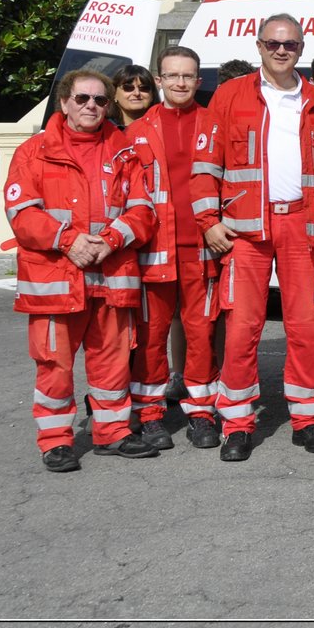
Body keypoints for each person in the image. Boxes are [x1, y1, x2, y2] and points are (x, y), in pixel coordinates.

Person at [193, 14, 314, 462]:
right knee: (242, 328)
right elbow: (205, 167)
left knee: (304, 326)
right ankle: (237, 422)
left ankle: (306, 418)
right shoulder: (229, 95)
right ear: (259, 46)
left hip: (303, 223)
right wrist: (209, 221)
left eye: (291, 45)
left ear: (301, 49)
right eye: (274, 44)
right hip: (244, 228)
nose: (282, 51)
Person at [7, 69, 161, 471]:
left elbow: (143, 211)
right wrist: (67, 240)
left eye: (100, 100)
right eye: (82, 99)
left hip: (111, 274)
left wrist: (109, 241)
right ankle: (55, 440)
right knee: (54, 363)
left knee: (111, 358)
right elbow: (21, 213)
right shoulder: (34, 151)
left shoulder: (124, 149)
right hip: (56, 277)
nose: (91, 106)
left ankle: (112, 433)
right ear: (64, 103)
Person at [124, 47, 219, 450]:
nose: (180, 82)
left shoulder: (214, 124)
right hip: (153, 251)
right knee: (151, 336)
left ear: (199, 81)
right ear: (158, 80)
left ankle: (201, 413)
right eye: (172, 75)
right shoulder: (135, 132)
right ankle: (149, 415)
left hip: (202, 248)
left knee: (201, 334)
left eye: (188, 76)